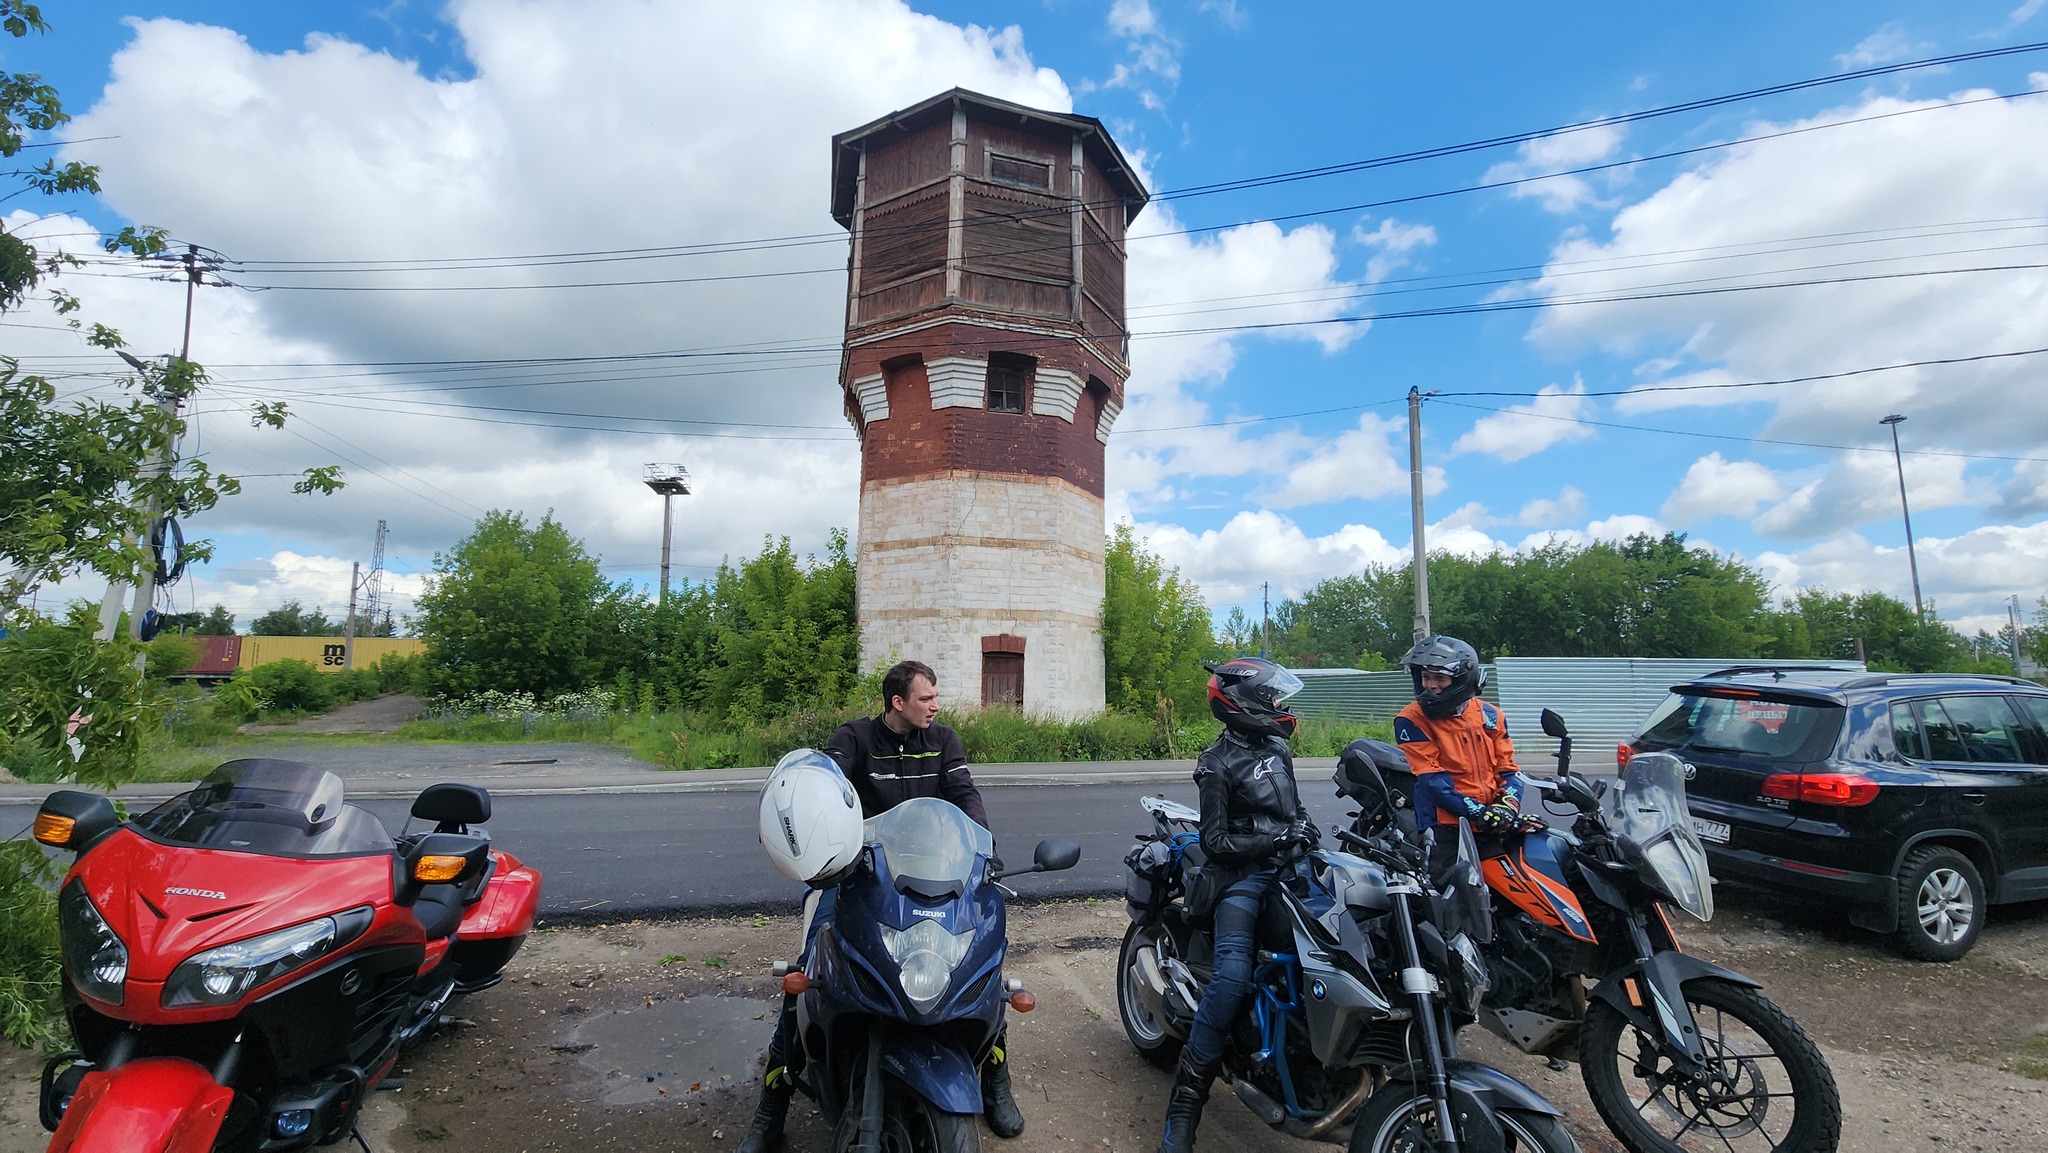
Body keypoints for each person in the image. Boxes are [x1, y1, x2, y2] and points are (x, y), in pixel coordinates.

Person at [736, 660, 1021, 1152]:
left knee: (985, 972)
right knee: (807, 972)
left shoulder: (944, 741)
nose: (935, 706)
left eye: (935, 698)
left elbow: (964, 795)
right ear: (898, 702)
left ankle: (997, 1079)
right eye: (926, 698)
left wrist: (984, 853)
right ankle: (770, 1109)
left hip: (935, 871)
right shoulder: (855, 739)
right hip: (859, 876)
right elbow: (824, 786)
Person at [1156, 657, 1312, 1153]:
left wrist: (1303, 833)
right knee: (1230, 979)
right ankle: (1184, 1108)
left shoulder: (1277, 746)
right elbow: (1217, 842)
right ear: (1245, 703)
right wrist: (1274, 843)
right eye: (1273, 698)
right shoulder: (1215, 763)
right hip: (1239, 880)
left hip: (1290, 867)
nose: (1282, 707)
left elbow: (1293, 808)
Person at [1394, 635, 1526, 874]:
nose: (1430, 685)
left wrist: (1506, 806)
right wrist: (1478, 813)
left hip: (1490, 824)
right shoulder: (1411, 719)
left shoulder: (1491, 715)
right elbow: (1432, 780)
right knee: (1455, 899)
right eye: (1425, 677)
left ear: (1461, 680)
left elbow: (1508, 769)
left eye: (1439, 678)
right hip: (1444, 827)